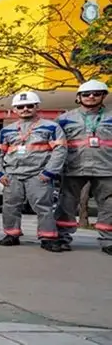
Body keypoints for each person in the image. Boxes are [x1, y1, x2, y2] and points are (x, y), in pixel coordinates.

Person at [0, 91, 66, 252]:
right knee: (10, 206)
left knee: (43, 206)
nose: (25, 109)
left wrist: (49, 173)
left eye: (29, 106)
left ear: (37, 107)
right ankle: (11, 234)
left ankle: (47, 237)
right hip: (12, 174)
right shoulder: (7, 130)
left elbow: (60, 150)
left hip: (38, 174)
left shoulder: (51, 126)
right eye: (20, 106)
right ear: (14, 110)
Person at [55, 79, 111, 255]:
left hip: (106, 168)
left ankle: (108, 241)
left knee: (109, 205)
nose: (91, 97)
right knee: (66, 203)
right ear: (79, 97)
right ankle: (63, 238)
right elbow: (55, 145)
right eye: (86, 94)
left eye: (96, 93)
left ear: (104, 96)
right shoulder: (64, 119)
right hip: (73, 167)